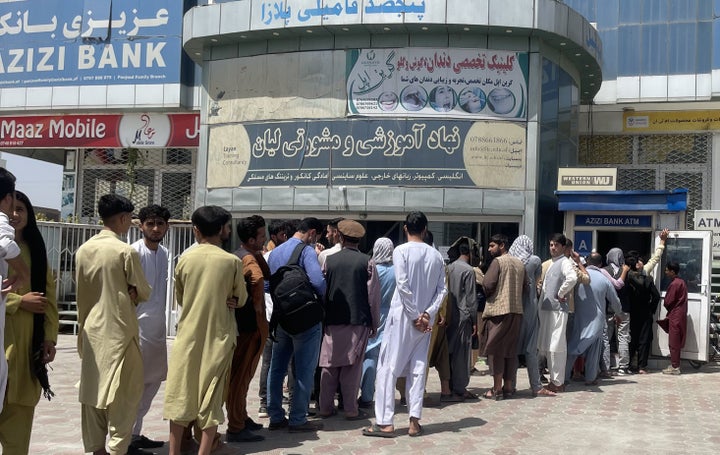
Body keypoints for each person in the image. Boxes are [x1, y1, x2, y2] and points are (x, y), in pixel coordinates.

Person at [163, 206, 247, 455]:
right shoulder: (232, 261)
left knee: (181, 393)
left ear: (195, 230)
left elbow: (181, 296)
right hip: (219, 337)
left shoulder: (184, 259)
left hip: (188, 336)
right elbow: (240, 298)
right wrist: (230, 299)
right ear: (222, 230)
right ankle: (205, 451)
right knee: (212, 396)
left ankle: (174, 451)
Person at [75, 194, 152, 455]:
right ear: (121, 218)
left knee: (93, 395)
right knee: (125, 398)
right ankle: (118, 449)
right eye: (129, 218)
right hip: (121, 332)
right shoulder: (124, 251)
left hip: (91, 331)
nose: (130, 223)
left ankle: (96, 449)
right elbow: (143, 291)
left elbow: (81, 293)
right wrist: (133, 291)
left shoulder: (83, 250)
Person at [363, 211, 447, 438]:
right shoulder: (436, 256)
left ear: (405, 228)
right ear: (425, 229)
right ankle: (414, 421)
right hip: (423, 323)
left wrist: (414, 316)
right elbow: (442, 290)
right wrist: (427, 314)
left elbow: (402, 284)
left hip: (403, 318)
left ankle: (385, 422)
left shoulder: (400, 251)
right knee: (418, 369)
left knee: (388, 368)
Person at [0, 191, 58, 454]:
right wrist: (18, 302)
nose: (15, 214)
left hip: (26, 347)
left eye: (21, 209)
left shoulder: (37, 251)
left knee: (17, 435)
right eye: (12, 208)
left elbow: (50, 298)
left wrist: (49, 338)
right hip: (3, 341)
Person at [266, 217, 326, 433]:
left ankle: (275, 415)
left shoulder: (275, 252)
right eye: (316, 236)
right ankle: (298, 419)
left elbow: (267, 285)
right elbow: (318, 282)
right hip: (306, 320)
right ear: (311, 232)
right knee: (304, 369)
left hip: (282, 318)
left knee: (277, 367)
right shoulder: (307, 251)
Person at [319, 220, 380, 420]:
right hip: (358, 321)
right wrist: (374, 323)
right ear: (359, 241)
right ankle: (351, 410)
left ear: (341, 237)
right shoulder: (368, 262)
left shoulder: (329, 260)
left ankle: (325, 408)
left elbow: (322, 290)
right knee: (352, 367)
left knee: (329, 365)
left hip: (331, 321)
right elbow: (373, 297)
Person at [129, 204, 171, 454]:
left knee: (153, 381)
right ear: (140, 225)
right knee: (135, 384)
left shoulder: (165, 253)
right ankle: (125, 436)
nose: (155, 228)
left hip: (157, 329)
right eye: (150, 223)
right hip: (137, 328)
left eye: (160, 223)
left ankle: (134, 433)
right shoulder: (133, 252)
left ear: (167, 226)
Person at [226, 215, 270, 443]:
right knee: (240, 376)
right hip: (249, 327)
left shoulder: (242, 255)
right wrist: (256, 307)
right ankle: (235, 425)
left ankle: (241, 416)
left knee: (244, 375)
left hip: (247, 326)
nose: (265, 239)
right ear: (252, 239)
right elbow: (258, 279)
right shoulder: (248, 260)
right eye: (262, 236)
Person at [507, 235, 554, 397]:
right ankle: (536, 386)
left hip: (512, 308)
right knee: (531, 348)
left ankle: (510, 385)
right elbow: (538, 283)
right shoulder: (534, 260)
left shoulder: (510, 261)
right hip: (530, 309)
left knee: (512, 349)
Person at [566, 253, 622, 385]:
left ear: (588, 262)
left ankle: (563, 377)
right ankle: (590, 378)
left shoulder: (579, 276)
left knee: (574, 346)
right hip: (597, 320)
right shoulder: (604, 279)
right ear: (600, 265)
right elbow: (615, 300)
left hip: (577, 318)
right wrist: (618, 314)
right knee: (594, 349)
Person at [258, 219, 295, 418]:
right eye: (283, 235)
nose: (286, 239)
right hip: (277, 317)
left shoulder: (270, 256)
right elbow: (264, 289)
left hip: (275, 316)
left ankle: (269, 402)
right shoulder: (279, 256)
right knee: (277, 362)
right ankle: (267, 402)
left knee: (273, 362)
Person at [481, 234, 525, 400]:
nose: (489, 249)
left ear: (502, 245)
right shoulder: (520, 263)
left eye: (492, 245)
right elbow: (525, 287)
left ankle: (497, 388)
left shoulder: (497, 262)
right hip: (516, 311)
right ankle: (508, 387)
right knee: (510, 351)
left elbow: (488, 284)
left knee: (496, 350)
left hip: (499, 311)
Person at [537, 233, 578, 393]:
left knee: (557, 346)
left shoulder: (565, 262)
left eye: (555, 245)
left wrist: (561, 293)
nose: (552, 248)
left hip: (557, 310)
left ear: (563, 247)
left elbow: (572, 278)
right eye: (551, 245)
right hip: (548, 310)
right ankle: (554, 380)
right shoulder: (553, 263)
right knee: (548, 346)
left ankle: (558, 382)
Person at [359, 237, 395, 408]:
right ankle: (386, 395)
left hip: (374, 314)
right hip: (392, 316)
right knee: (388, 359)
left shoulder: (372, 270)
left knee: (370, 355)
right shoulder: (397, 270)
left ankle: (366, 395)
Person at [443, 237, 478, 401]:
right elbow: (471, 298)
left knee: (449, 352)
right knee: (462, 354)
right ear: (470, 253)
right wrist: (474, 321)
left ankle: (448, 385)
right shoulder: (469, 271)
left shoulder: (449, 268)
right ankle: (460, 387)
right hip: (463, 317)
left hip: (449, 316)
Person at [625, 254, 660, 374]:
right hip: (645, 313)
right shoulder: (648, 279)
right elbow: (656, 296)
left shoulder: (627, 279)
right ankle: (642, 366)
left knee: (632, 339)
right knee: (644, 339)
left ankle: (628, 364)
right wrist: (651, 309)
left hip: (632, 313)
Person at [604, 247, 632, 375]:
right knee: (623, 337)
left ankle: (605, 366)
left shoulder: (604, 271)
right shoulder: (626, 271)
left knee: (606, 338)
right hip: (624, 309)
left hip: (608, 309)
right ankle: (623, 366)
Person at [657, 261, 688, 375]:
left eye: (667, 270)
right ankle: (675, 364)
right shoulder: (681, 282)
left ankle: (675, 367)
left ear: (672, 271)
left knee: (674, 341)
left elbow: (668, 301)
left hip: (675, 314)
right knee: (676, 340)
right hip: (680, 314)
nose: (665, 272)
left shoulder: (674, 284)